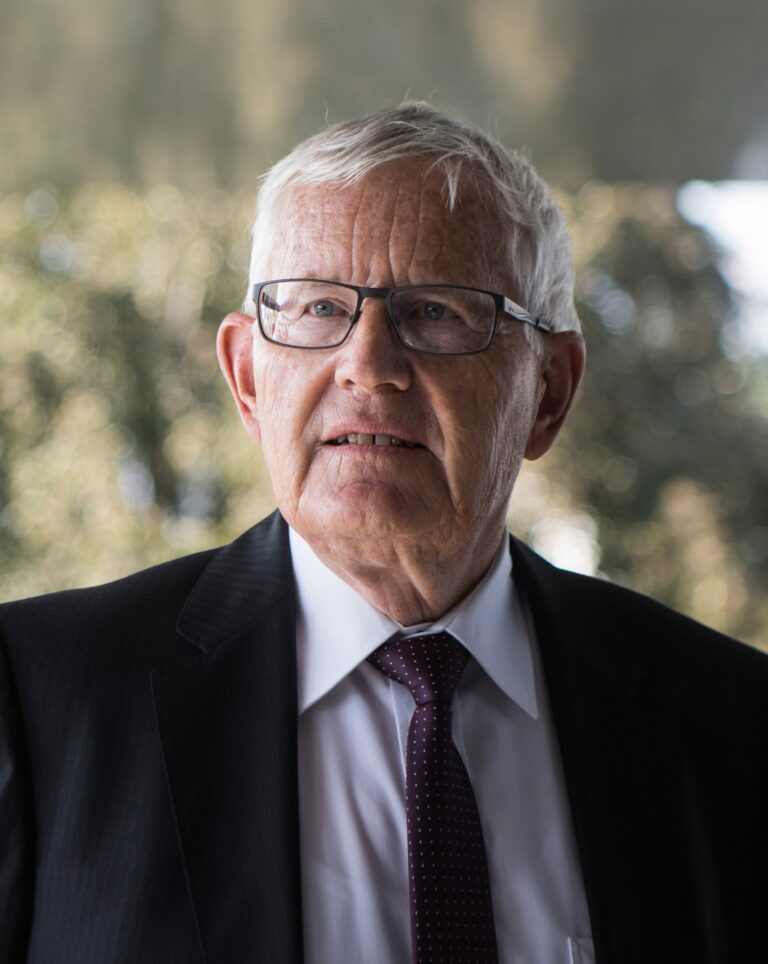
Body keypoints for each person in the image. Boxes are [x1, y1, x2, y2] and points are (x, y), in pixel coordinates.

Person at [1, 102, 766, 964]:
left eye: (436, 311)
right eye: (318, 307)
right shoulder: (36, 697)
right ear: (247, 379)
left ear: (549, 393)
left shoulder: (735, 727)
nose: (367, 366)